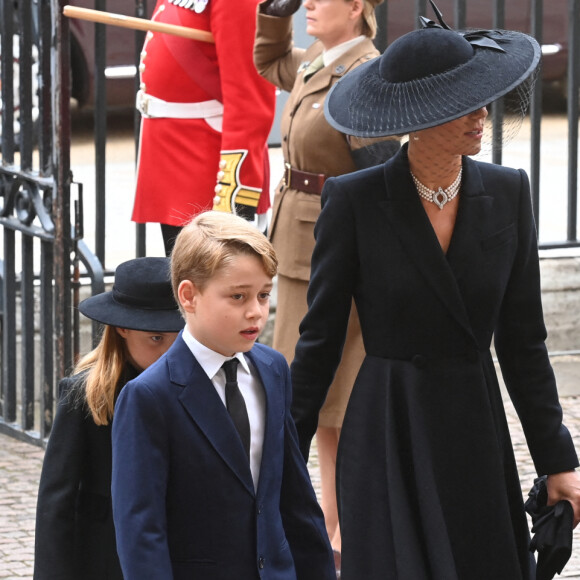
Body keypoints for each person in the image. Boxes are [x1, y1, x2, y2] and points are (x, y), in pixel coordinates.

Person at [289, 8, 580, 580]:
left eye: (482, 98)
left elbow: (524, 345)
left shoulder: (508, 192)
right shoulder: (354, 201)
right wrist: (282, 460)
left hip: (473, 424)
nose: (482, 114)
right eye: (463, 104)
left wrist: (558, 462)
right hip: (388, 429)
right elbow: (318, 342)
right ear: (418, 118)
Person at [111, 211, 336, 579]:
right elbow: (141, 531)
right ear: (189, 296)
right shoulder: (149, 397)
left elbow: (296, 498)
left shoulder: (274, 369)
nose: (256, 312)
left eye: (264, 295)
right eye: (237, 296)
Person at [254, 0, 398, 567]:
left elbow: (384, 170)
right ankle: (322, 522)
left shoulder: (367, 73)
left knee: (333, 401)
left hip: (334, 256)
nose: (307, 4)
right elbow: (268, 59)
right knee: (303, 391)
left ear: (358, 6)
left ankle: (340, 531)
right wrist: (273, 10)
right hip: (295, 251)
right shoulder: (319, 57)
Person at [34, 257, 183, 580]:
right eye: (156, 339)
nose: (168, 353)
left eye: (179, 338)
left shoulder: (193, 386)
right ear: (123, 328)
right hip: (105, 555)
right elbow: (56, 500)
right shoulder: (85, 395)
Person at [132, 0, 277, 255]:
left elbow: (249, 102)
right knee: (184, 283)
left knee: (218, 284)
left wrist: (234, 198)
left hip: (207, 167)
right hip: (171, 158)